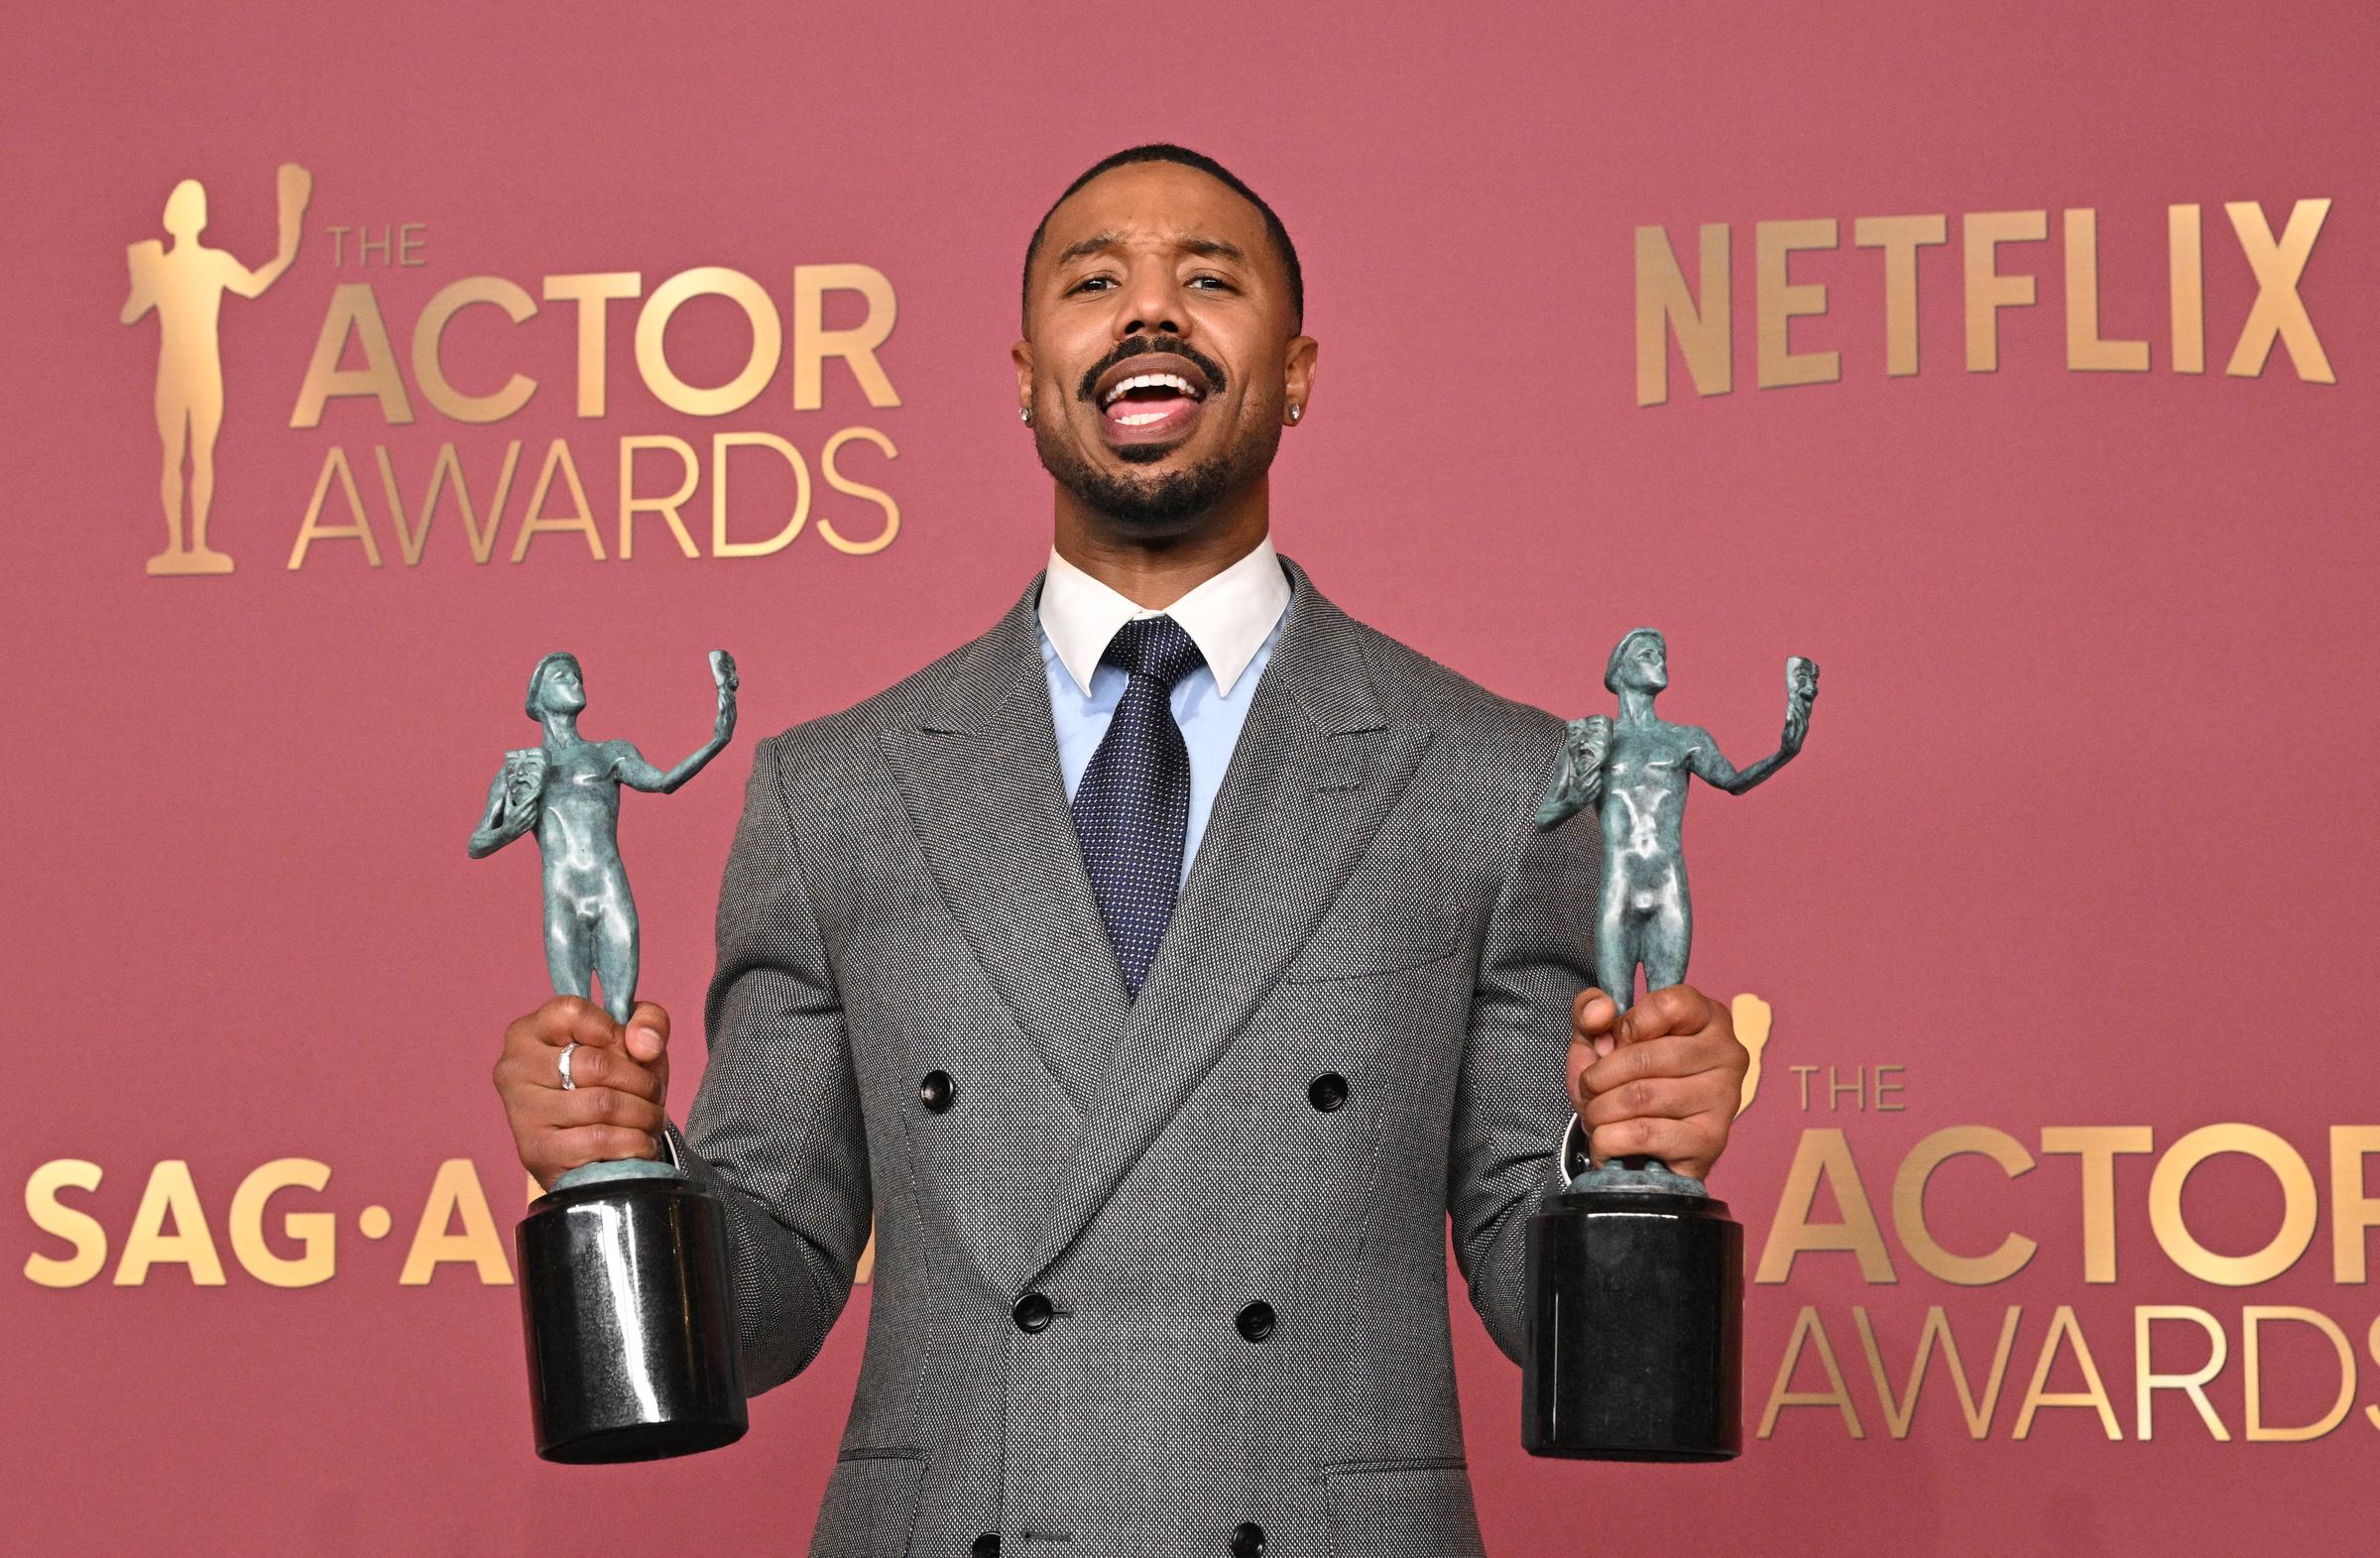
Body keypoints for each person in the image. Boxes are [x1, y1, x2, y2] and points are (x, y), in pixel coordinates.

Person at [492, 145, 1750, 1558]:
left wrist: (1629, 1155)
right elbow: (767, 1285)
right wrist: (623, 1165)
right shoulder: (833, 790)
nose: (1150, 311)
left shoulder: (1494, 777)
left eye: (1209, 279)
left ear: (1296, 371)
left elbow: (1537, 1275)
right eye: (1097, 282)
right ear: (1029, 375)